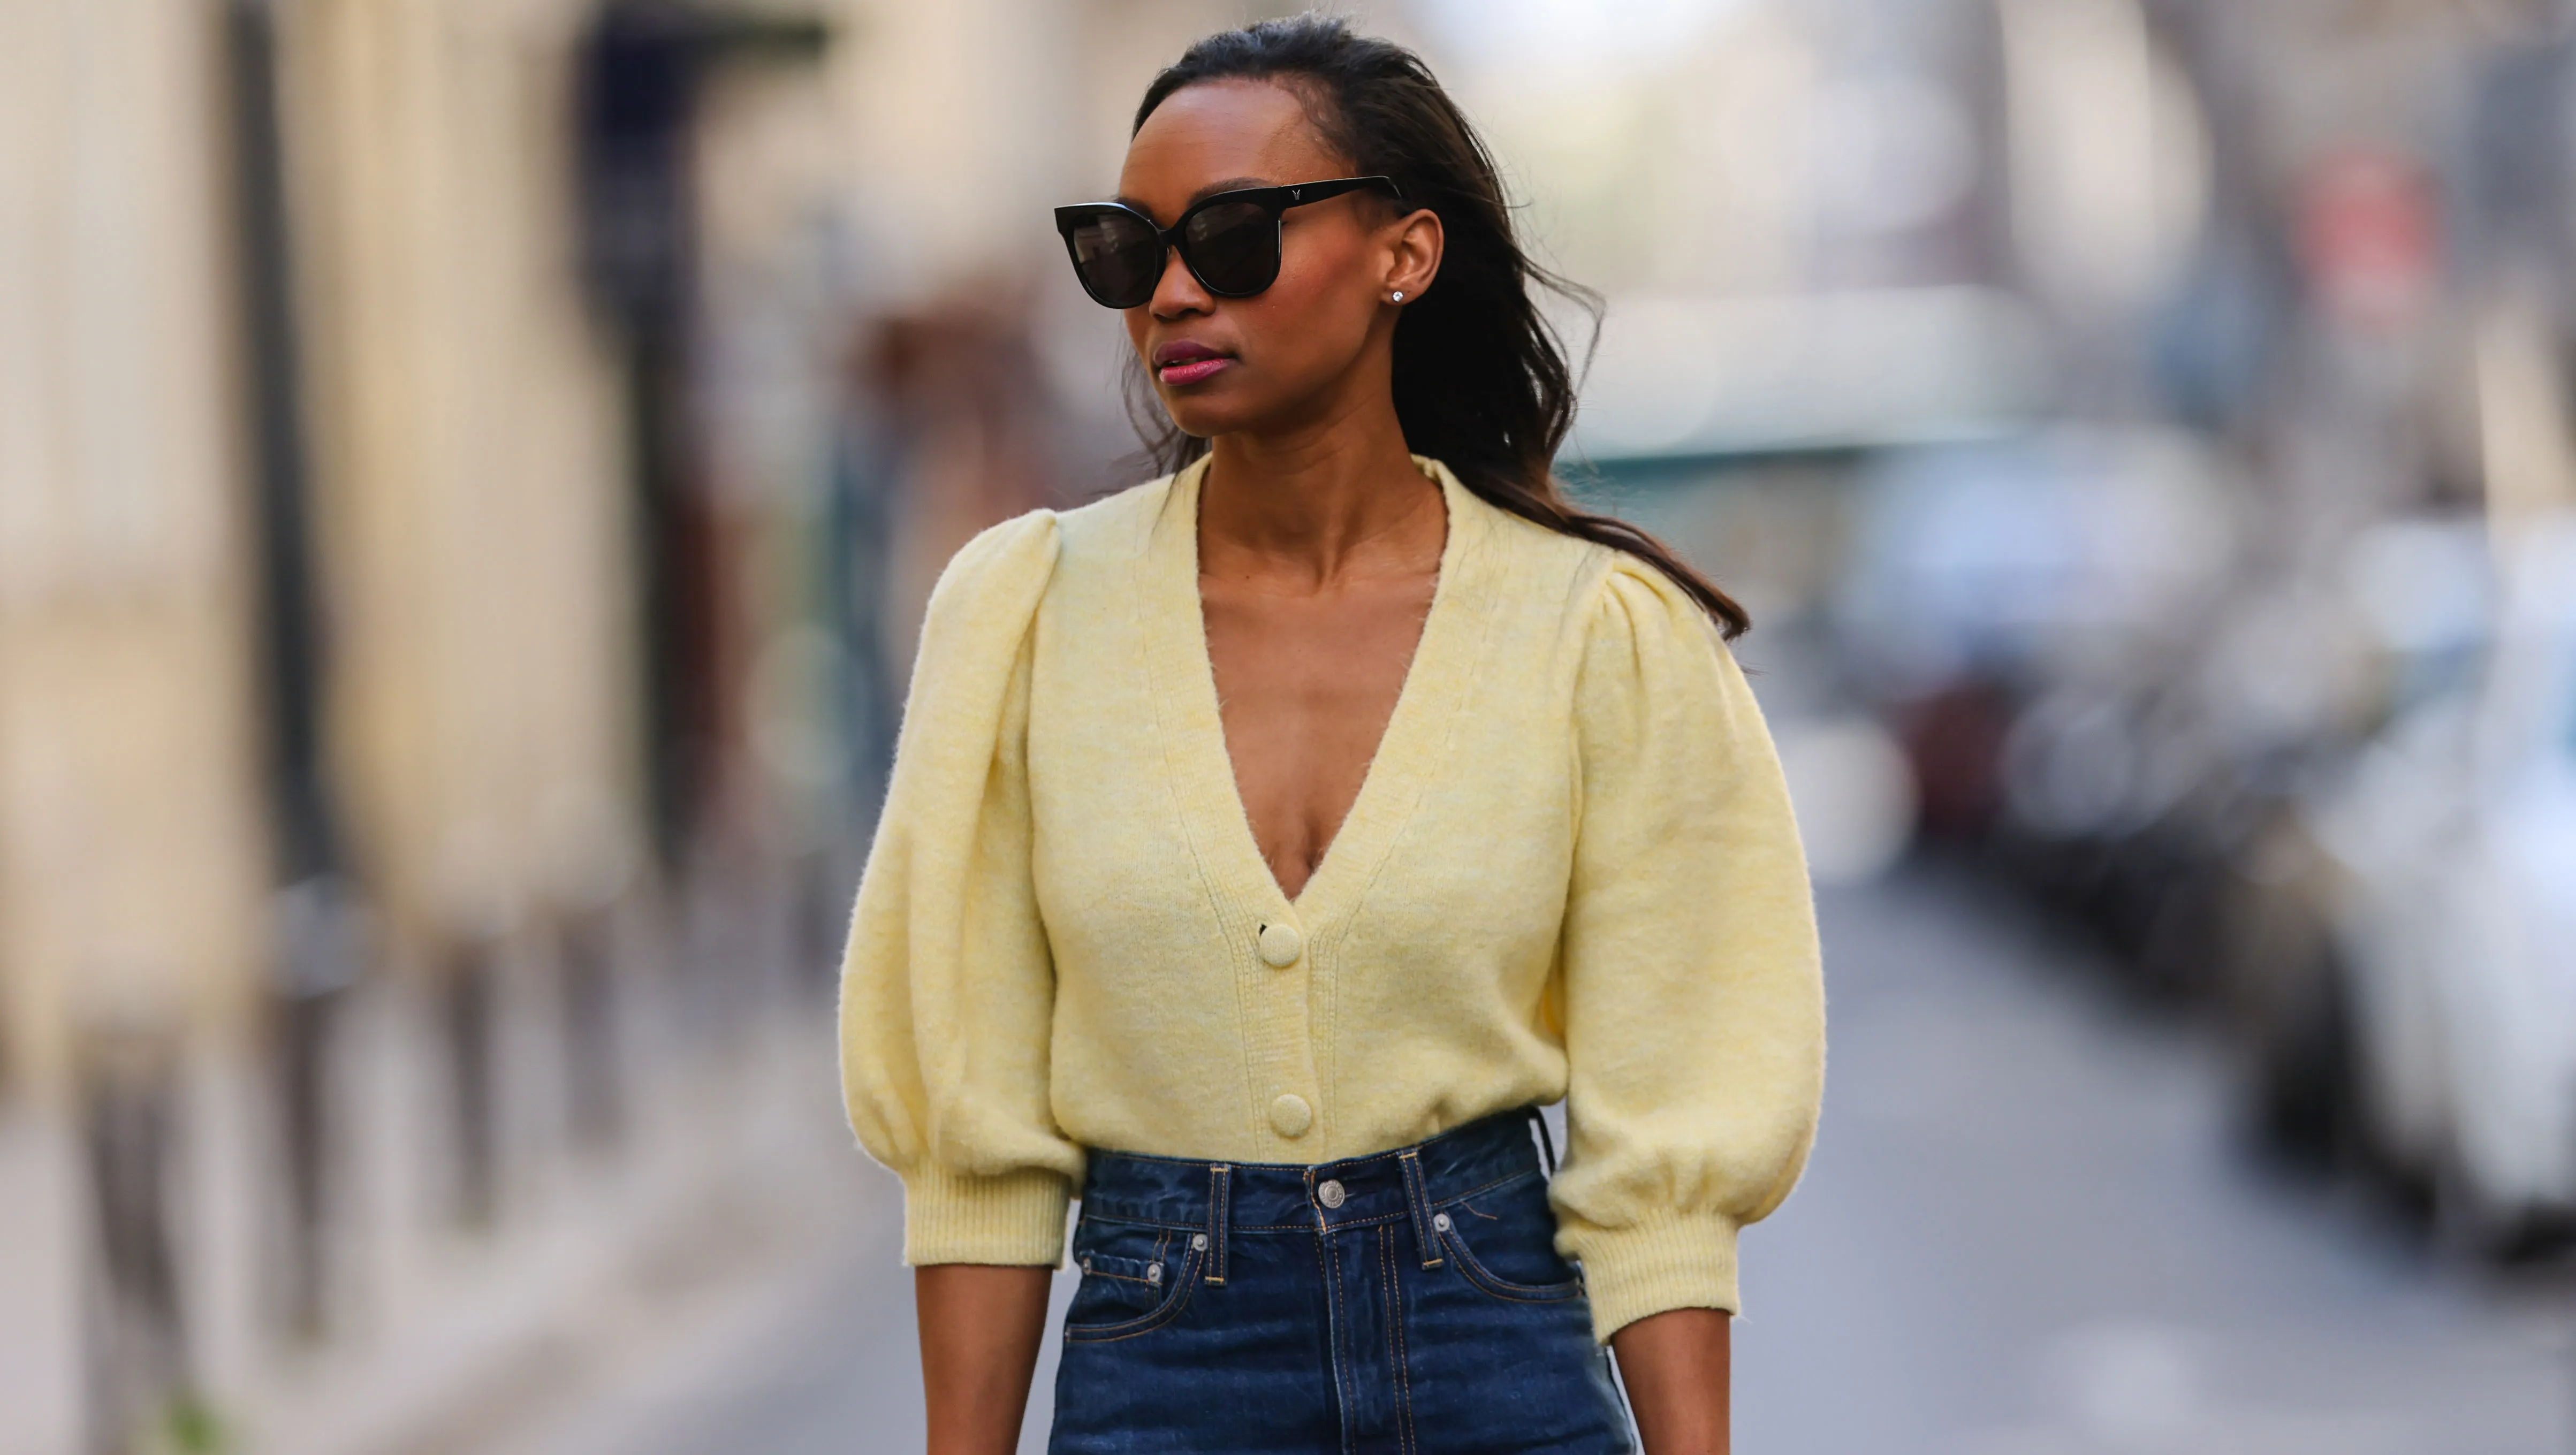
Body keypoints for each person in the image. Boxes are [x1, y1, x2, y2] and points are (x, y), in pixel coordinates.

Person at [839, 16, 1823, 1454]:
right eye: (1126, 249)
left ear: (1402, 255)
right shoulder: (1024, 617)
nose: (1172, 291)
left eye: (1233, 236)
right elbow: (975, 1139)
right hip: (1162, 1368)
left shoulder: (1599, 636)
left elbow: (1663, 1156)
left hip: (1497, 1349)